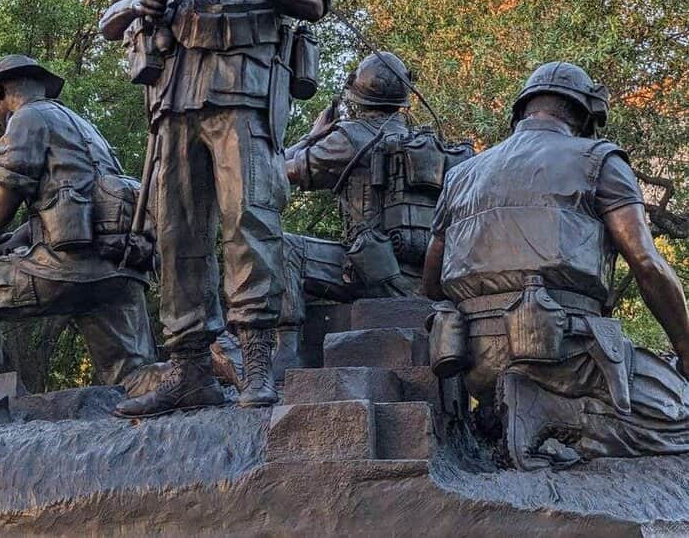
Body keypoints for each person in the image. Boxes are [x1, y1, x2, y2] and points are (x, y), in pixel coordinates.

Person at [101, 0, 330, 416]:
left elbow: (312, 2)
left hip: (244, 88)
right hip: (175, 91)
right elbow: (112, 21)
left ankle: (259, 362)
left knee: (247, 222)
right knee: (174, 232)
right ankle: (189, 368)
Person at [423, 61, 689, 469]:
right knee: (681, 417)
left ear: (522, 111)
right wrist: (685, 348)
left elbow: (432, 283)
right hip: (561, 357)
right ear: (585, 116)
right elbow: (646, 264)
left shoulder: (460, 175)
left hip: (474, 363)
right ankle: (549, 415)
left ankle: (511, 415)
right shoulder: (599, 159)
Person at [275, 52, 473, 377]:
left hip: (368, 274)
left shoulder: (347, 139)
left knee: (283, 248)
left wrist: (311, 137)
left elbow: (273, 172)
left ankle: (286, 357)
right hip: (424, 279)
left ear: (356, 98)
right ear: (403, 101)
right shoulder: (432, 146)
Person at [0, 55, 156, 393]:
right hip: (118, 269)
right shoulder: (83, 127)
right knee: (134, 377)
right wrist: (14, 241)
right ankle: (209, 363)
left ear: (0, 92)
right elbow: (75, 200)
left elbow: (4, 196)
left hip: (67, 268)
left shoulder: (26, 118)